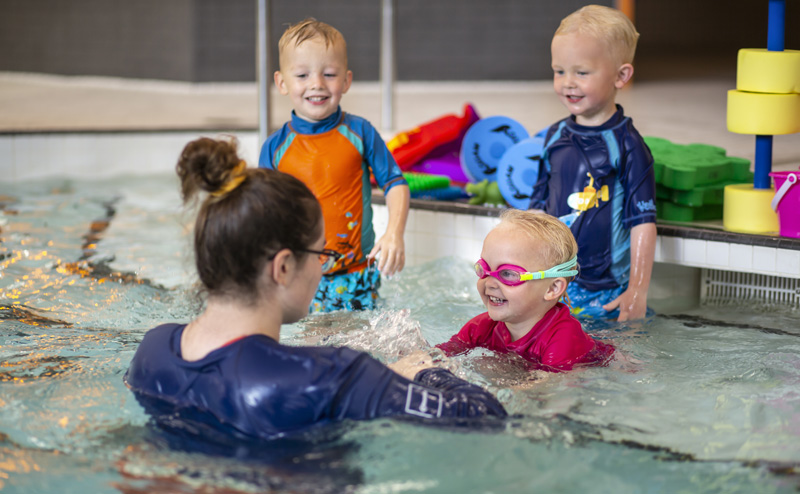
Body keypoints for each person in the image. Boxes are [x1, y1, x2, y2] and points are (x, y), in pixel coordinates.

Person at [124, 137, 506, 444]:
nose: (324, 265)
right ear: (284, 267)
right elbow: (486, 417)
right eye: (320, 252)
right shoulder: (332, 375)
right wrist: (424, 372)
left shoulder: (153, 351)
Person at [259, 18, 410, 313]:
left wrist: (394, 232)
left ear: (346, 80)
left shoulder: (360, 132)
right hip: (301, 279)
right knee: (314, 346)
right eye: (302, 75)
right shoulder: (275, 149)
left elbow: (395, 183)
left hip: (357, 275)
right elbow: (263, 213)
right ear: (281, 82)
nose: (316, 84)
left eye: (329, 74)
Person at [528, 5, 657, 321]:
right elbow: (537, 209)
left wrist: (637, 291)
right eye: (559, 71)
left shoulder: (627, 146)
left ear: (621, 76)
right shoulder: (555, 136)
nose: (567, 82)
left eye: (581, 72)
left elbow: (643, 223)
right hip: (557, 286)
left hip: (608, 294)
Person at [437, 210, 614, 372]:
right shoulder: (481, 327)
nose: (489, 283)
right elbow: (438, 356)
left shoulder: (563, 338)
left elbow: (548, 394)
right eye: (484, 268)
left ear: (552, 288)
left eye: (507, 273)